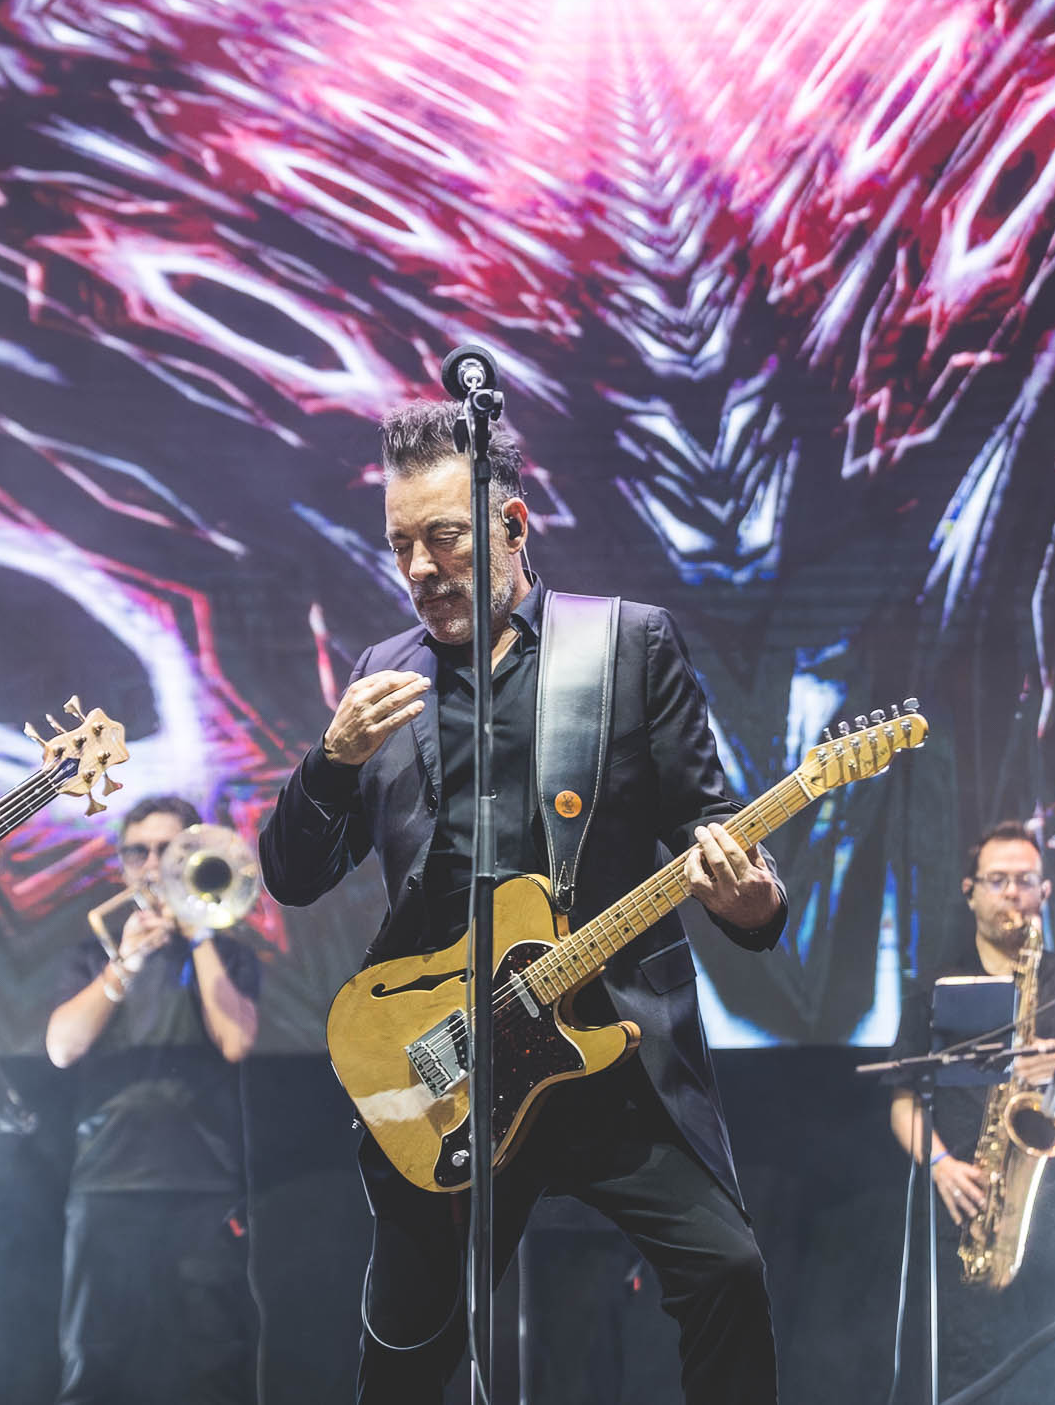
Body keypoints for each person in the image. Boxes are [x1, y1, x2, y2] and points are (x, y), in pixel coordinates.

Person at [257, 399, 788, 1405]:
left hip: (607, 1044)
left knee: (727, 1271)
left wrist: (753, 900)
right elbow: (291, 874)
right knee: (405, 1357)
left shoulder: (624, 645)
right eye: (400, 545)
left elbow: (713, 829)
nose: (420, 566)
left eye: (443, 536)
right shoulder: (384, 674)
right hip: (449, 1065)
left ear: (511, 523)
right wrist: (330, 760)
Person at [887, 821, 1055, 1403]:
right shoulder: (936, 988)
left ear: (1045, 891)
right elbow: (903, 1100)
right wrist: (940, 1164)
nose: (1012, 893)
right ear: (970, 891)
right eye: (997, 880)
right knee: (967, 1377)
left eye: (1024, 880)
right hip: (969, 1207)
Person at [44, 795, 263, 1405]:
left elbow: (236, 1041)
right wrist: (126, 961)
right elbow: (62, 1048)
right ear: (121, 865)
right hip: (107, 1182)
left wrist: (198, 932)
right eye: (137, 852)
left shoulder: (230, 953)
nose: (151, 864)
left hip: (204, 1184)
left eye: (168, 850)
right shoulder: (92, 955)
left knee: (216, 1363)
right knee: (95, 1363)